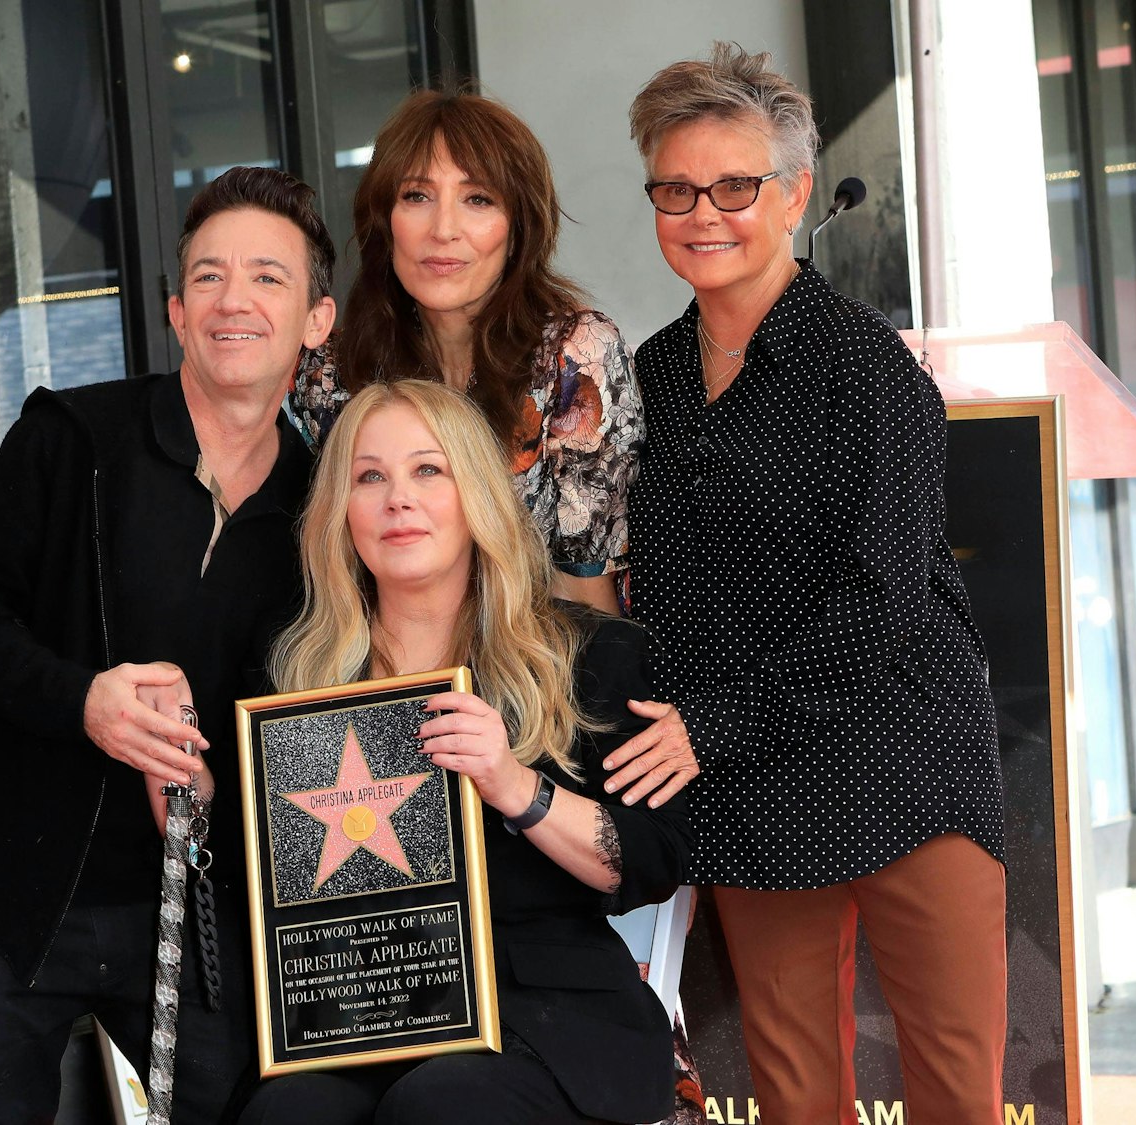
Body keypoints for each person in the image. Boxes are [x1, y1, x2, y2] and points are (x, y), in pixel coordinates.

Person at [0, 165, 337, 1124]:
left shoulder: (324, 506)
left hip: (196, 903)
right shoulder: (73, 438)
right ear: (178, 311)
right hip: (5, 887)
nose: (235, 300)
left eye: (269, 277)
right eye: (209, 277)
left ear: (317, 319)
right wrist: (84, 701)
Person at [620, 44, 1008, 1125]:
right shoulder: (648, 374)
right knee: (793, 1098)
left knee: (953, 1096)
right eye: (674, 189)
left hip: (901, 763)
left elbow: (879, 599)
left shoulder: (863, 366)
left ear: (791, 195)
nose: (702, 213)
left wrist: (711, 724)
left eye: (734, 186)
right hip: (750, 784)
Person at [239, 380, 690, 1125]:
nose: (397, 499)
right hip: (367, 1018)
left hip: (547, 1022)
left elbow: (648, 861)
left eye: (428, 470)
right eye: (369, 476)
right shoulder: (295, 674)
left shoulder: (589, 655)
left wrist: (517, 786)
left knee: (443, 1105)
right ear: (339, 511)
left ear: (475, 492)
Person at [291, 90, 642, 615]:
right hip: (384, 675)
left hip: (535, 677)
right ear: (384, 220)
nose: (444, 230)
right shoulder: (334, 375)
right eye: (416, 196)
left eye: (478, 199)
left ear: (517, 226)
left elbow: (587, 586)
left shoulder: (573, 359)